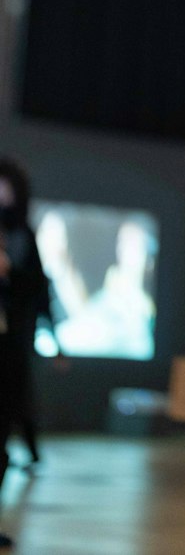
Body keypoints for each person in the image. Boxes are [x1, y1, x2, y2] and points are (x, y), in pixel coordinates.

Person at [0, 158, 54, 549]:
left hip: (11, 348)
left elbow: (37, 289)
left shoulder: (22, 235)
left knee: (1, 438)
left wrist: (9, 273)